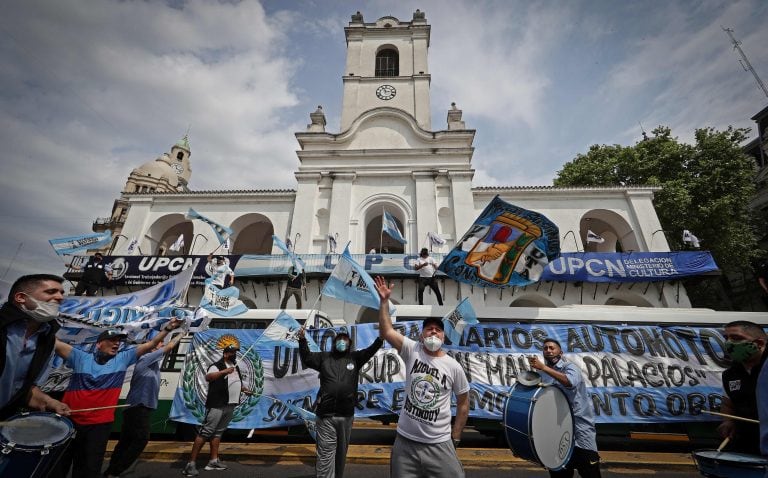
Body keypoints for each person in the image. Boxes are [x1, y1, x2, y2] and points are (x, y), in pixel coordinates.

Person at [52, 318, 183, 478]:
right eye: (111, 340)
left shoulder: (123, 359)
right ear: (99, 344)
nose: (116, 344)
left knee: (89, 470)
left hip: (99, 427)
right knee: (57, 467)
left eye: (118, 341)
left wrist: (168, 329)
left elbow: (151, 344)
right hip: (70, 422)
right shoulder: (79, 357)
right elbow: (54, 343)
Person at [373, 276, 469, 478]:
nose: (433, 332)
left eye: (438, 330)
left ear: (444, 337)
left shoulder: (453, 366)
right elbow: (386, 330)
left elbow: (463, 402)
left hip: (439, 444)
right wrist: (383, 302)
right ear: (421, 335)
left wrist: (456, 436)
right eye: (429, 329)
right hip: (405, 443)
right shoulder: (412, 350)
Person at [297, 327, 383, 477]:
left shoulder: (355, 358)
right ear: (334, 342)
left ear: (349, 343)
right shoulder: (324, 358)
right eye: (339, 339)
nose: (342, 342)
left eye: (345, 340)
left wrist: (380, 339)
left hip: (346, 415)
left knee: (341, 453)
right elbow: (307, 357)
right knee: (325, 452)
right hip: (326, 415)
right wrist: (302, 340)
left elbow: (370, 350)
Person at [103, 328, 185, 477]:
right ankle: (115, 470)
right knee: (141, 439)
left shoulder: (153, 365)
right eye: (159, 344)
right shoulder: (145, 359)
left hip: (137, 407)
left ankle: (111, 471)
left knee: (126, 441)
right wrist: (181, 334)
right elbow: (169, 347)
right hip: (138, 407)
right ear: (152, 349)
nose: (161, 346)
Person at [0, 274, 70, 419]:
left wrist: (49, 401)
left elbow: (25, 389)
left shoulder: (47, 339)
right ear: (21, 297)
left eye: (61, 293)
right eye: (51, 292)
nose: (60, 297)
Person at [528, 338, 601, 478]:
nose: (548, 351)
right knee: (560, 474)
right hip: (558, 433)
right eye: (545, 348)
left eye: (551, 348)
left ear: (560, 352)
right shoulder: (544, 375)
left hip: (580, 431)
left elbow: (570, 382)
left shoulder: (570, 367)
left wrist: (543, 367)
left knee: (590, 472)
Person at [182, 344, 255, 477]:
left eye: (235, 352)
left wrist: (245, 390)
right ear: (225, 354)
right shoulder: (217, 365)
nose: (234, 355)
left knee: (218, 433)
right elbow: (208, 377)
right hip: (217, 405)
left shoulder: (235, 367)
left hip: (230, 405)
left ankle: (213, 461)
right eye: (232, 352)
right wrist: (223, 372)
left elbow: (236, 382)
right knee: (206, 432)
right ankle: (190, 464)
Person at [717, 320, 767, 455]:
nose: (729, 343)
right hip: (745, 445)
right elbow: (727, 405)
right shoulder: (730, 374)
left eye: (736, 338)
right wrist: (728, 421)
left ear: (760, 344)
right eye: (726, 338)